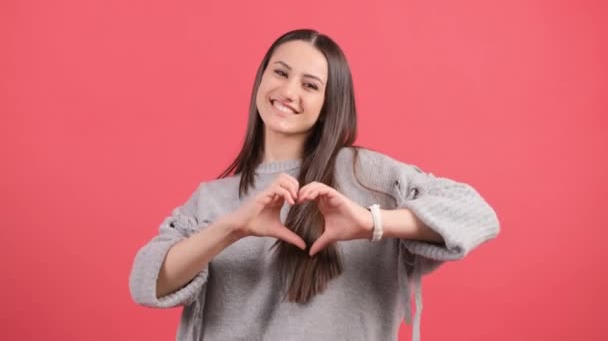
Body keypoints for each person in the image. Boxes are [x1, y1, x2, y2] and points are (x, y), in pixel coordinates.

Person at [129, 29, 500, 341]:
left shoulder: (364, 174)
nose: (289, 92)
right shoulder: (212, 199)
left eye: (310, 85)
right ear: (261, 79)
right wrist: (232, 227)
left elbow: (477, 215)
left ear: (328, 104)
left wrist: (371, 223)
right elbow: (147, 283)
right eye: (280, 73)